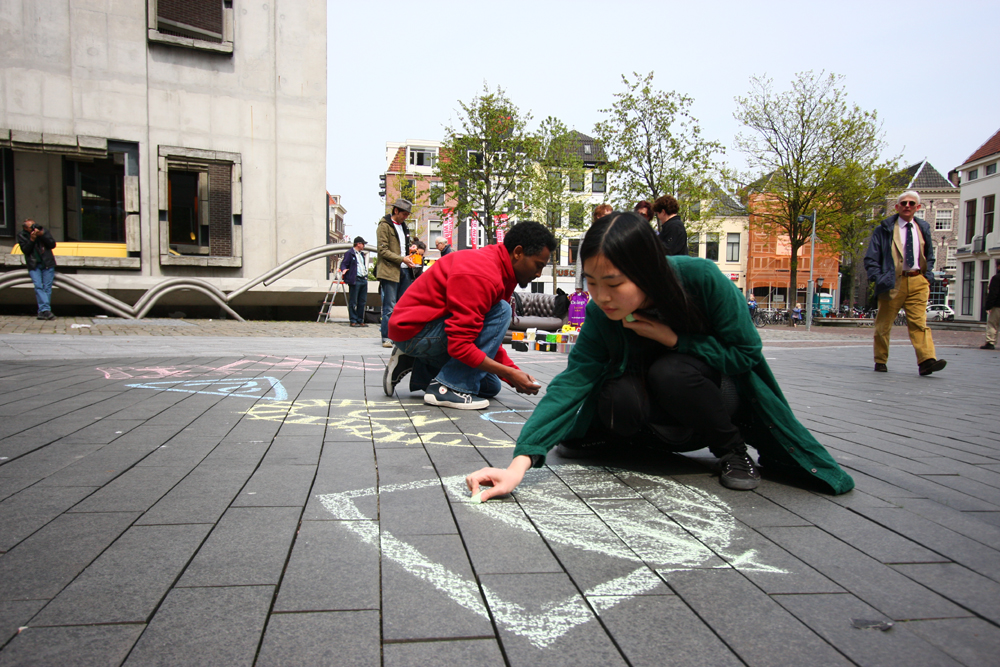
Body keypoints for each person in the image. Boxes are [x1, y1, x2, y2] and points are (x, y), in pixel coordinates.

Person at [465, 212, 854, 499]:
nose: (601, 297)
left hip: (707, 403)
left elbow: (745, 355)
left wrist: (674, 339)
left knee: (673, 372)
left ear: (647, 271)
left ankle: (732, 451)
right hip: (650, 420)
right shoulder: (604, 312)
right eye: (592, 283)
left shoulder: (701, 280)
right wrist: (519, 465)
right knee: (615, 393)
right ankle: (640, 446)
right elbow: (574, 380)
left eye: (614, 283)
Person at [383, 221, 555, 410]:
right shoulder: (483, 273)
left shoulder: (503, 271)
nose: (538, 273)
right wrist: (511, 373)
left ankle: (418, 363)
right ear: (518, 252)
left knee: (490, 386)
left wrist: (513, 374)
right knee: (503, 311)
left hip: (422, 329)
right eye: (538, 265)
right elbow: (460, 345)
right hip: (413, 332)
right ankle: (445, 389)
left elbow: (488, 340)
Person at [864, 190, 946, 375]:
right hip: (893, 281)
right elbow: (871, 258)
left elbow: (929, 255)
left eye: (911, 203)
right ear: (897, 207)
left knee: (919, 323)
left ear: (918, 207)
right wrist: (879, 277)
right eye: (903, 203)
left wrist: (927, 275)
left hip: (918, 280)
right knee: (884, 324)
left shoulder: (922, 227)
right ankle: (880, 360)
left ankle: (926, 361)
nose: (907, 206)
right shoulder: (884, 229)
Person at [377, 198, 419, 348]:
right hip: (390, 271)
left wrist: (410, 251)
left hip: (405, 269)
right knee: (390, 306)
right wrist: (402, 258)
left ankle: (399, 336)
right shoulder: (384, 226)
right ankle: (387, 337)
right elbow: (382, 250)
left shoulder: (403, 227)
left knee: (403, 305)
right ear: (396, 211)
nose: (406, 217)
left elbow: (401, 248)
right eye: (404, 214)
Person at [16, 218, 57, 320]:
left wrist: (42, 235)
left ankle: (43, 311)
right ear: (26, 228)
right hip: (34, 264)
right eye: (31, 227)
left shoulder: (43, 231)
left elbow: (52, 244)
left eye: (35, 225)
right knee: (38, 286)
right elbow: (26, 250)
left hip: (47, 263)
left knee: (47, 287)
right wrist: (32, 240)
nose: (35, 228)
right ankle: (46, 310)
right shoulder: (22, 235)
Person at [574, 204, 613, 293]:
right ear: (598, 216)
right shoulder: (587, 235)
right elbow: (580, 260)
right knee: (590, 305)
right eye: (607, 216)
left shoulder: (614, 235)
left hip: (608, 278)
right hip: (589, 278)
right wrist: (578, 284)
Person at [340, 236, 369, 328]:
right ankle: (353, 320)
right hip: (355, 279)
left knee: (362, 301)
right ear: (358, 244)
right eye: (363, 244)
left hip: (363, 278)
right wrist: (344, 270)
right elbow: (344, 263)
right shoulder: (349, 253)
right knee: (353, 301)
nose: (364, 246)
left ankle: (360, 320)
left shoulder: (361, 254)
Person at [981, 259, 1000, 350]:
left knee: (993, 324)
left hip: (998, 306)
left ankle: (990, 342)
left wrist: (989, 305)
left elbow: (993, 293)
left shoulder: (996, 278)